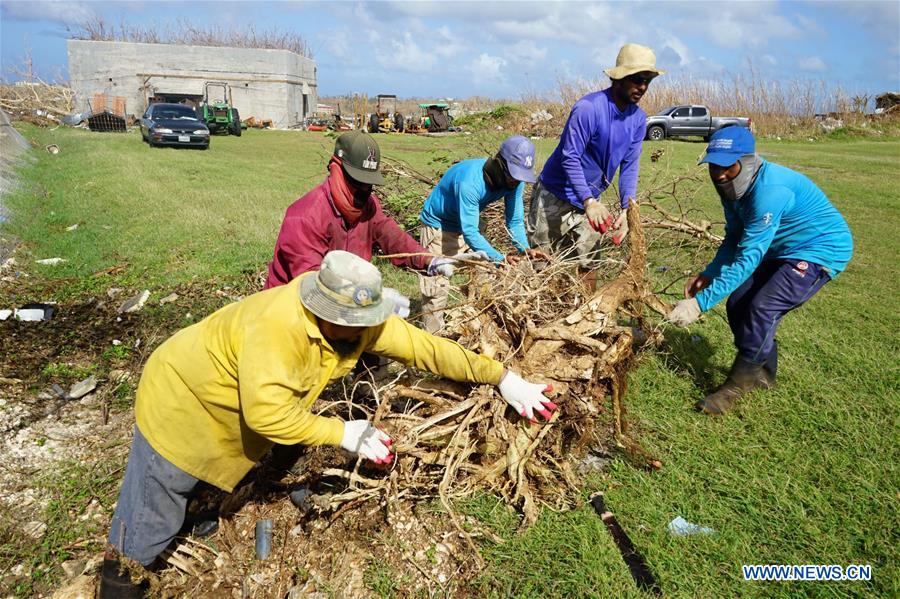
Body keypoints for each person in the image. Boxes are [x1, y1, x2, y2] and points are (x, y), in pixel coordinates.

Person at [99, 250, 556, 597]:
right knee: (153, 509)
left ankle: (198, 510)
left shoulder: (363, 324)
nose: (361, 331)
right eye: (349, 321)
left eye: (365, 321)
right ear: (322, 308)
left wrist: (502, 378)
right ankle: (119, 582)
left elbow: (427, 349)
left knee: (208, 480)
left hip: (228, 404)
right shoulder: (277, 327)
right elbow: (266, 414)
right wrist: (343, 434)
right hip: (182, 403)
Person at [667, 126, 853, 414]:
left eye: (727, 166)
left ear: (748, 161)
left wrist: (699, 304)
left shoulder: (769, 191)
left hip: (820, 250)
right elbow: (733, 238)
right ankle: (763, 374)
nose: (719, 173)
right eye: (714, 165)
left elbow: (748, 258)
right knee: (738, 302)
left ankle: (732, 390)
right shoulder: (730, 187)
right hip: (781, 251)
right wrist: (710, 273)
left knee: (762, 308)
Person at [527, 43, 663, 288]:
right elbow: (570, 157)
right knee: (542, 265)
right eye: (637, 79)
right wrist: (589, 200)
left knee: (589, 264)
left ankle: (586, 317)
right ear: (619, 78)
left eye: (647, 81)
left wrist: (627, 209)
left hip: (590, 202)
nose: (642, 87)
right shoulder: (588, 109)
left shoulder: (638, 119)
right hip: (554, 196)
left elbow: (630, 166)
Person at [264, 130, 456, 292]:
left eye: (368, 183)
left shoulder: (368, 206)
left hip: (341, 306)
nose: (364, 190)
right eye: (357, 181)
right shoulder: (305, 217)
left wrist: (429, 260)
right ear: (336, 169)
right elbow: (312, 284)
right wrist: (369, 299)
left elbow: (391, 236)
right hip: (292, 309)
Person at [417, 135, 550, 333]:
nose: (515, 181)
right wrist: (500, 258)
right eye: (513, 175)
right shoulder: (470, 182)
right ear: (500, 164)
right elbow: (470, 231)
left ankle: (476, 333)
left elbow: (513, 221)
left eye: (520, 176)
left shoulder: (515, 181)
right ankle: (431, 343)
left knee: (485, 280)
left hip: (467, 225)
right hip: (439, 227)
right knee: (436, 290)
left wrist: (525, 250)